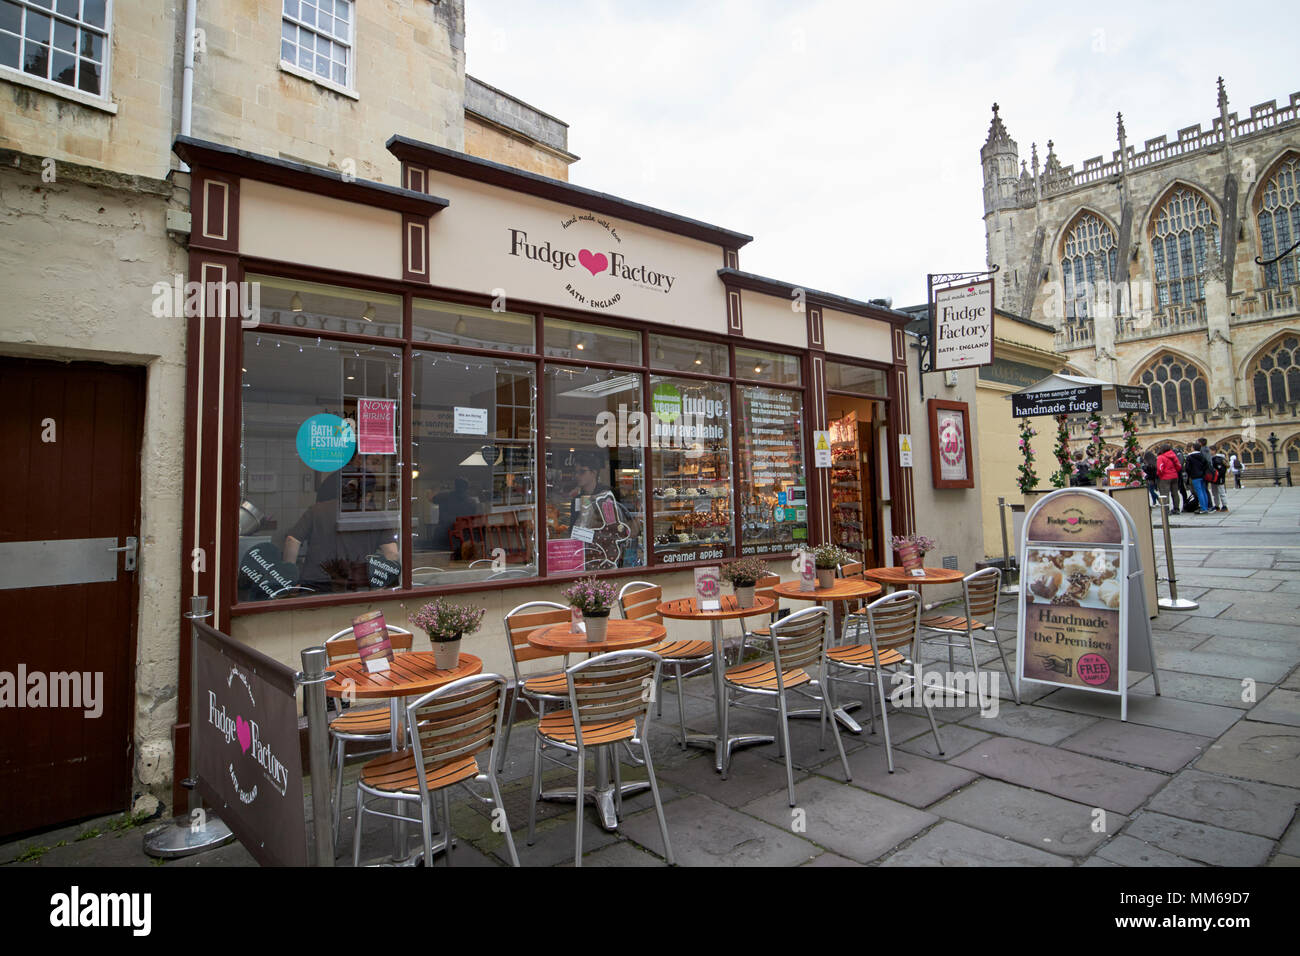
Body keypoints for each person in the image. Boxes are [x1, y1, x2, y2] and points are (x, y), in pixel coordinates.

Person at [282, 472, 400, 591]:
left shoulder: (317, 510)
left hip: (315, 582)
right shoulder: (376, 516)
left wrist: (290, 577)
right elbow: (392, 553)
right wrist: (383, 582)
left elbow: (292, 540)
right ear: (368, 495)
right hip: (357, 584)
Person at [1185, 439, 1211, 514]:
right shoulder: (1202, 456)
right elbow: (1206, 465)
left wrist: (1190, 473)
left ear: (1193, 448)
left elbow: (1187, 468)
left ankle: (1203, 508)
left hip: (1195, 476)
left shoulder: (1190, 457)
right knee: (1203, 491)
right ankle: (1206, 506)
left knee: (1199, 492)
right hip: (1203, 476)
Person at [1156, 445, 1183, 514]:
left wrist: (1160, 475)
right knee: (1175, 493)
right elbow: (1179, 466)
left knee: (1165, 494)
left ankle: (1166, 510)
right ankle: (1176, 509)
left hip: (1165, 477)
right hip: (1174, 476)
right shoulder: (1174, 456)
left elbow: (1160, 468)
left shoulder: (1161, 457)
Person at [1209, 446, 1229, 512]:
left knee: (1221, 492)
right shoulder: (1211, 459)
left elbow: (1222, 470)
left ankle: (1224, 506)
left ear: (1214, 451)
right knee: (1214, 493)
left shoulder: (1219, 459)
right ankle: (1217, 506)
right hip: (1213, 479)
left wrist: (1217, 476)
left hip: (1219, 478)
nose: (1209, 452)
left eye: (1210, 450)